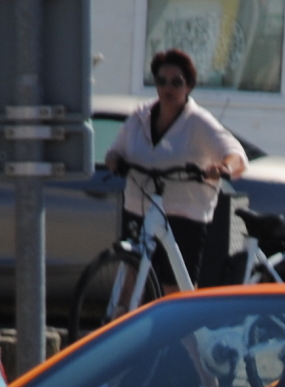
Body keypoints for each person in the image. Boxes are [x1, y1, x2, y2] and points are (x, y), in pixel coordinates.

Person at [106, 48, 248, 291]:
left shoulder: (199, 122)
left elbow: (237, 155)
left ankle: (181, 327)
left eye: (176, 82)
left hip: (184, 214)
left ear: (189, 86)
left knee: (175, 288)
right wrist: (116, 161)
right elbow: (114, 151)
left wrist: (223, 168)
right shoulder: (140, 117)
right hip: (139, 207)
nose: (168, 88)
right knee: (129, 274)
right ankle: (120, 320)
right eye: (161, 82)